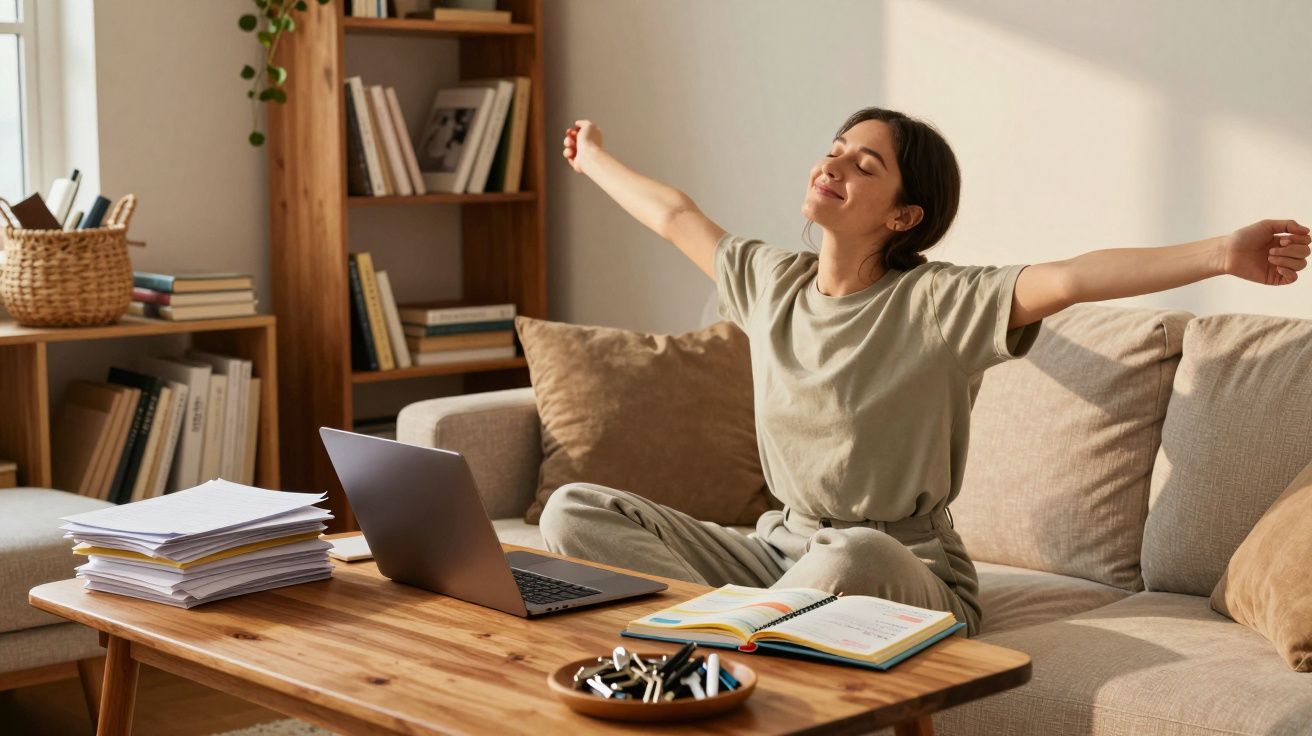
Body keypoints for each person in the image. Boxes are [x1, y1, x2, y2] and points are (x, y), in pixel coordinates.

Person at [541, 106, 1309, 638]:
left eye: (864, 163)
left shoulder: (941, 301)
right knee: (574, 510)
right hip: (776, 552)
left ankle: (716, 644)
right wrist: (594, 155)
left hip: (900, 567)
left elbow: (1071, 278)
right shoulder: (770, 279)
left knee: (851, 552)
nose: (835, 160)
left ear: (903, 216)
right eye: (837, 146)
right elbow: (677, 216)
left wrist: (1222, 253)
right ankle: (737, 631)